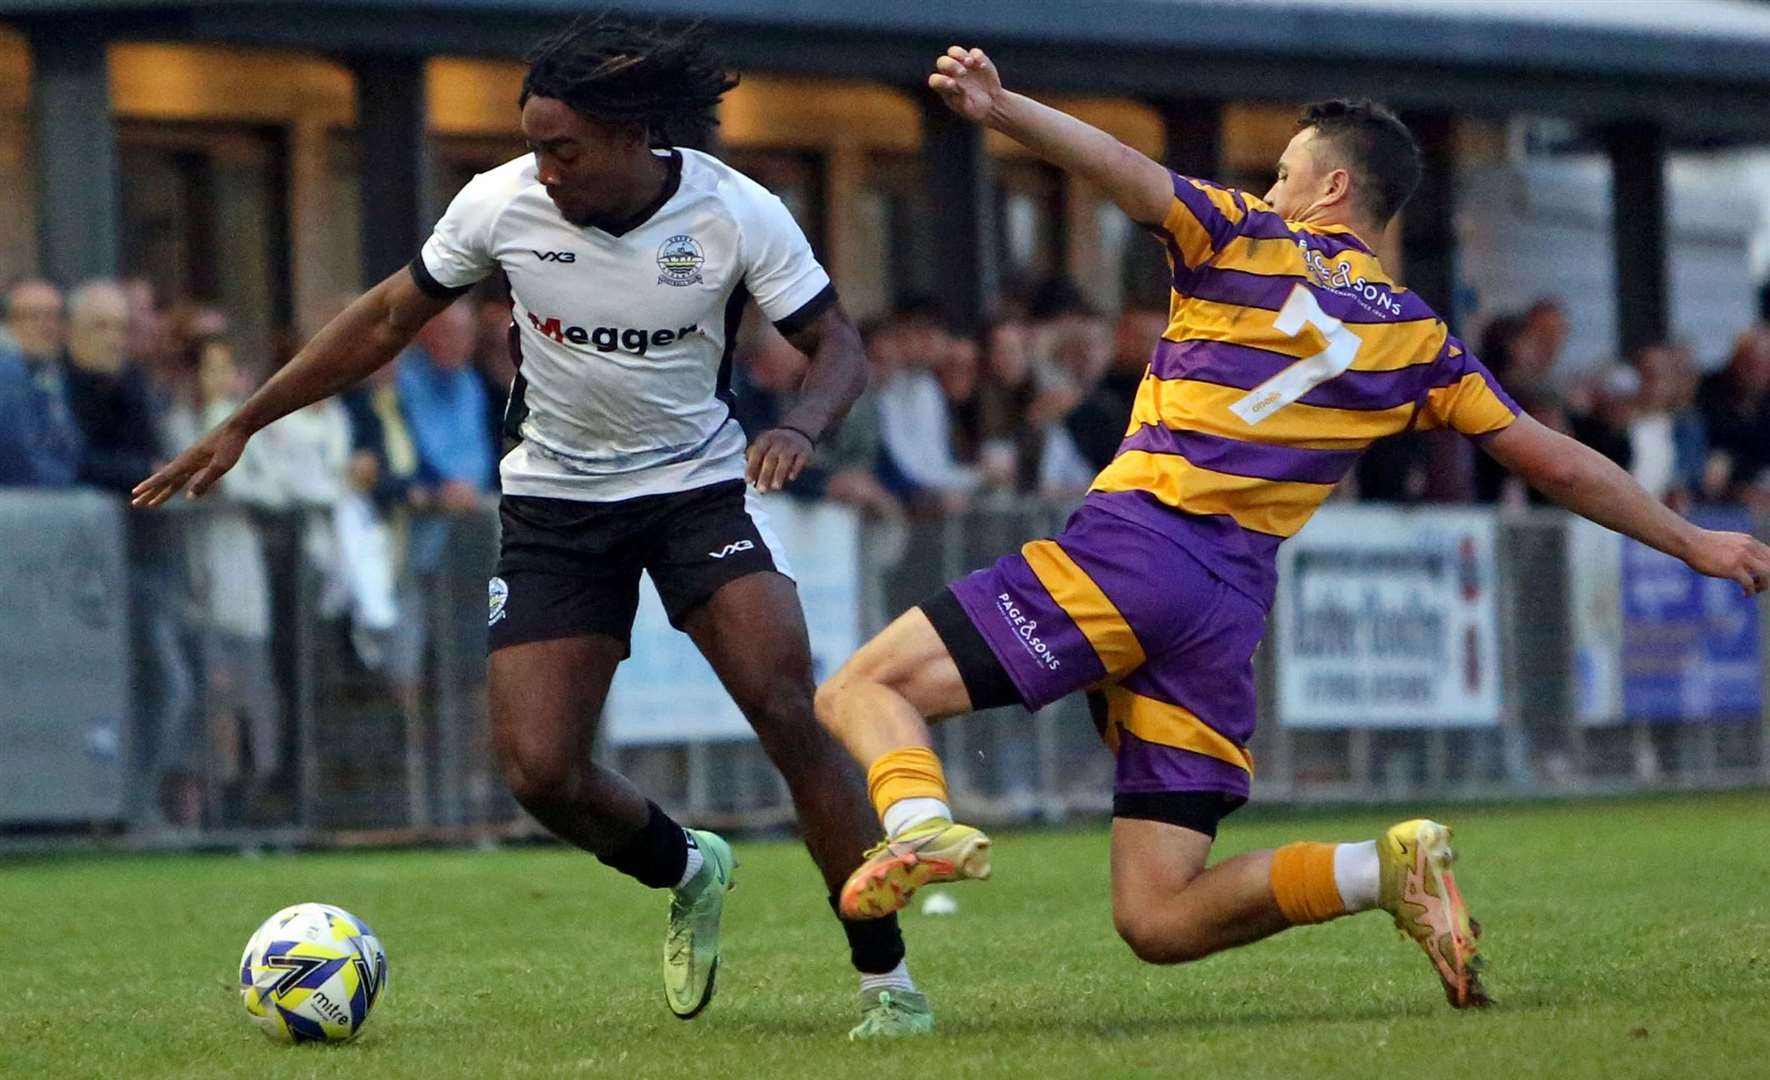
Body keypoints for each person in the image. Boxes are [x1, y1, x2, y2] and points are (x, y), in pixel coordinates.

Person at [814, 46, 1770, 1016]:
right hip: (1225, 608)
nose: (1269, 183)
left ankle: (921, 821)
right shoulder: (1418, 338)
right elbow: (1553, 459)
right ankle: (1379, 871)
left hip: (1139, 547)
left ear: (1333, 183)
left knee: (862, 686)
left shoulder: (1244, 235)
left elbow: (1118, 167)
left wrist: (1002, 105)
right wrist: (1697, 544)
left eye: (1283, 169)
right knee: (1157, 916)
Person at [135, 16, 925, 1038]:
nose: (543, 169)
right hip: (555, 504)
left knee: (785, 707)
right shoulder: (501, 204)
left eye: (564, 148)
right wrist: (243, 421)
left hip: (693, 496)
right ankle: (689, 864)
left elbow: (840, 346)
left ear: (633, 134)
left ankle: (888, 984)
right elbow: (385, 318)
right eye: (535, 146)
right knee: (540, 772)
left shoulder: (736, 213)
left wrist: (804, 427)